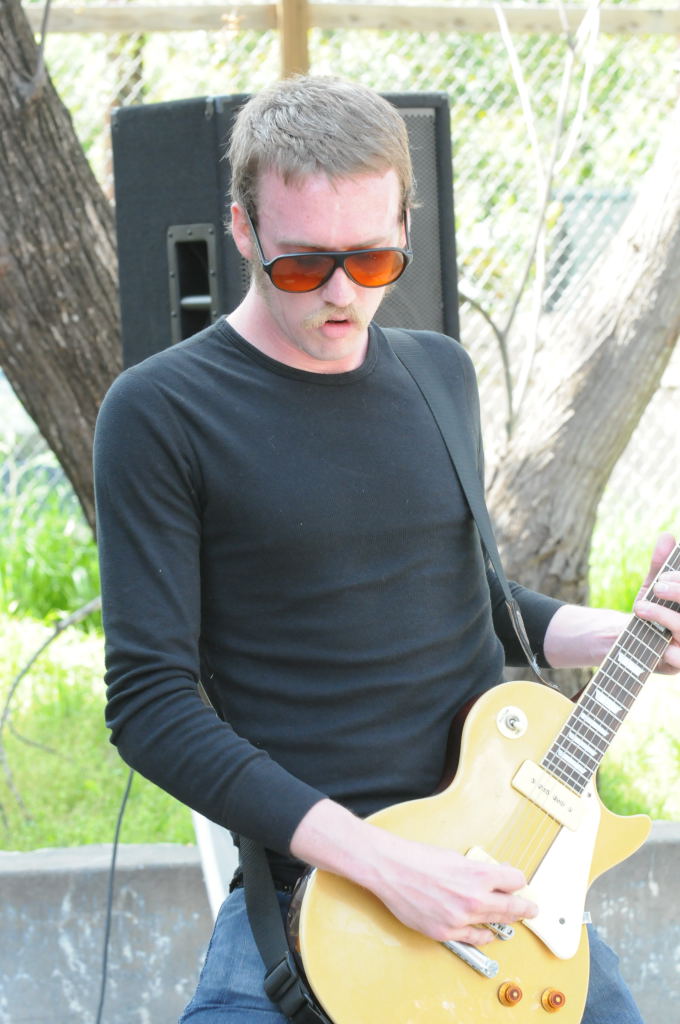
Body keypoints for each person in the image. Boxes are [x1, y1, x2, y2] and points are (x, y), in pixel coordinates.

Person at [93, 76, 680, 1024]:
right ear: (242, 230)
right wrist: (388, 867)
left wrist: (630, 636)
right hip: (315, 886)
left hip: (501, 874)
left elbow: (468, 594)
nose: (342, 293)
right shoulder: (161, 412)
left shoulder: (439, 373)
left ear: (407, 221)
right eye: (303, 265)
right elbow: (149, 706)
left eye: (372, 259)